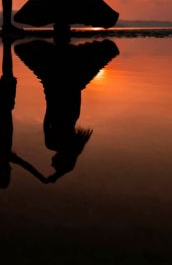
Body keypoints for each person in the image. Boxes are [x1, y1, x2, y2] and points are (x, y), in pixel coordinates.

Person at [14, 38, 120, 183]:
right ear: (61, 160)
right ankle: (62, 39)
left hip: (73, 85)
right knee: (25, 50)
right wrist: (56, 175)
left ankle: (63, 38)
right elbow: (47, 117)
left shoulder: (74, 142)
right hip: (56, 88)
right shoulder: (52, 143)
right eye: (54, 164)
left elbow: (69, 164)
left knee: (104, 50)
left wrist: (57, 175)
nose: (50, 163)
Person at [0, 36, 46, 188]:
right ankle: (1, 46)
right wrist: (41, 177)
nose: (9, 170)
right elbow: (26, 166)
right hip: (0, 106)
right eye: (9, 174)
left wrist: (41, 177)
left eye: (6, 173)